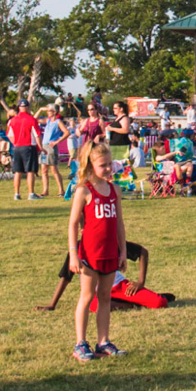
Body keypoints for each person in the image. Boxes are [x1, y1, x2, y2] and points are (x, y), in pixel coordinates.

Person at [67, 142, 128, 361]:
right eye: (103, 165)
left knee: (105, 297)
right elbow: (73, 223)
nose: (108, 169)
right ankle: (80, 343)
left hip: (110, 253)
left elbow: (119, 223)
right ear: (91, 165)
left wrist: (123, 251)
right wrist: (73, 253)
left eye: (110, 164)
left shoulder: (115, 190)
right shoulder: (84, 190)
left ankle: (103, 341)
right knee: (87, 296)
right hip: (90, 255)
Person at [35, 240, 173, 312]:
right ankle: (131, 304)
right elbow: (66, 277)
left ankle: (144, 298)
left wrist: (140, 282)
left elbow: (142, 252)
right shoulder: (77, 249)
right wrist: (52, 305)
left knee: (160, 303)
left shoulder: (109, 242)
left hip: (118, 286)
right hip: (96, 292)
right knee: (94, 306)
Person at [8, 100, 42, 201]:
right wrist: (40, 147)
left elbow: (9, 135)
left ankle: (16, 194)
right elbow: (37, 135)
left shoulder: (12, 120)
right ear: (27, 107)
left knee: (17, 171)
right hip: (29, 146)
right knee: (30, 171)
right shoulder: (31, 119)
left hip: (17, 147)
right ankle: (31, 193)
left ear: (19, 107)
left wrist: (16, 142)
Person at [38, 106, 69, 199]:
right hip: (44, 146)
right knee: (44, 170)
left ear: (55, 112)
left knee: (54, 169)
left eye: (50, 111)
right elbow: (34, 119)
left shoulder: (58, 122)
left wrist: (57, 141)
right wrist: (40, 109)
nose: (48, 112)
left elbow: (67, 132)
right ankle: (45, 190)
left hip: (51, 147)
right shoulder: (48, 121)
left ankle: (61, 190)